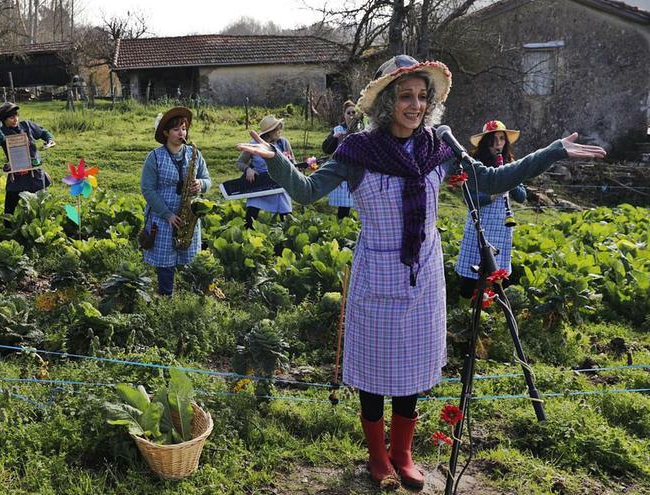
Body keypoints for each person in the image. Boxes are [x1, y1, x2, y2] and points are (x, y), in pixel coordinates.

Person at [238, 55, 606, 490]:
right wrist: (276, 160)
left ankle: (403, 454)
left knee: (411, 369)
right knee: (375, 373)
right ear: (388, 102)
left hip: (424, 272)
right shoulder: (357, 151)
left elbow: (489, 180)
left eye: (421, 97)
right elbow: (307, 191)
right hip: (376, 270)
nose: (415, 105)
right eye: (405, 96)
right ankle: (378, 457)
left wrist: (552, 151)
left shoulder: (439, 146)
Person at [140, 107, 212, 295]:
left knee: (189, 261)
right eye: (176, 130)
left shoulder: (194, 154)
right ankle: (166, 298)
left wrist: (200, 184)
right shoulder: (154, 157)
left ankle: (190, 298)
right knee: (165, 265)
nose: (182, 133)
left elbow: (208, 179)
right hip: (163, 217)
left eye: (184, 129)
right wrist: (167, 214)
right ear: (165, 133)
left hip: (187, 217)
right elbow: (147, 189)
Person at [455, 120, 527, 299]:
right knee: (470, 276)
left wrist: (509, 177)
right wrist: (493, 194)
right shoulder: (474, 166)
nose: (498, 144)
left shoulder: (510, 164)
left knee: (499, 274)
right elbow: (470, 198)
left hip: (502, 227)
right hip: (479, 225)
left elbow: (521, 196)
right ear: (485, 142)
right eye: (493, 139)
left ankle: (496, 311)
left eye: (502, 139)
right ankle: (467, 310)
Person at [0, 103, 55, 223]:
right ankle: (8, 229)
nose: (15, 119)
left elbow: (43, 132)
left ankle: (40, 224)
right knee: (11, 202)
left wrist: (50, 140)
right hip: (17, 171)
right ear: (4, 120)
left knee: (40, 201)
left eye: (16, 115)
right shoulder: (3, 132)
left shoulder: (26, 126)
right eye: (11, 117)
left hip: (34, 171)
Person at [235, 115, 294, 229]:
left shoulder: (283, 143)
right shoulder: (253, 145)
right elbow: (240, 162)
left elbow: (292, 162)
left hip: (279, 184)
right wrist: (248, 169)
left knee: (287, 220)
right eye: (277, 129)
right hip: (260, 184)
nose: (280, 131)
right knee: (250, 219)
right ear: (269, 132)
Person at [322, 100, 362, 219]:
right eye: (348, 113)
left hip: (357, 170)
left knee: (359, 203)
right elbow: (326, 149)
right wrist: (334, 139)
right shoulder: (338, 129)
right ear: (344, 115)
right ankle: (342, 228)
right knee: (344, 206)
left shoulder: (361, 129)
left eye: (353, 113)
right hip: (342, 170)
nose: (351, 115)